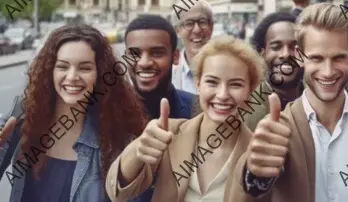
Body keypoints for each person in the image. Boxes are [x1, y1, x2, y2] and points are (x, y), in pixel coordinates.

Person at [225, 3, 348, 202]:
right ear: (299, 56)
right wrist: (254, 176)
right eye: (316, 58)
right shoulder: (274, 131)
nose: (328, 71)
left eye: (338, 58)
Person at [0, 24, 149, 202]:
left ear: (100, 73)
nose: (72, 76)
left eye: (84, 68)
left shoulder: (119, 137)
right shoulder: (22, 119)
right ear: (49, 71)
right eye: (63, 67)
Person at [105, 35, 265, 202]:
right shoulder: (168, 134)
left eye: (235, 84)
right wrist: (138, 149)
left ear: (250, 90)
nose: (223, 95)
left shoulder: (258, 152)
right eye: (212, 82)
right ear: (198, 84)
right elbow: (117, 191)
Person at [125, 15, 196, 119]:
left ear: (175, 57)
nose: (144, 63)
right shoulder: (105, 112)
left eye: (156, 53)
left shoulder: (199, 110)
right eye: (135, 54)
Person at [245, 12, 304, 130]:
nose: (286, 54)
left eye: (294, 47)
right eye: (276, 47)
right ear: (263, 55)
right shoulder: (247, 110)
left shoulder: (315, 98)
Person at [172, 0, 214, 95]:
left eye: (202, 22)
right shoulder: (168, 76)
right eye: (189, 23)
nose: (197, 30)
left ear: (211, 26)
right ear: (177, 30)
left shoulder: (230, 68)